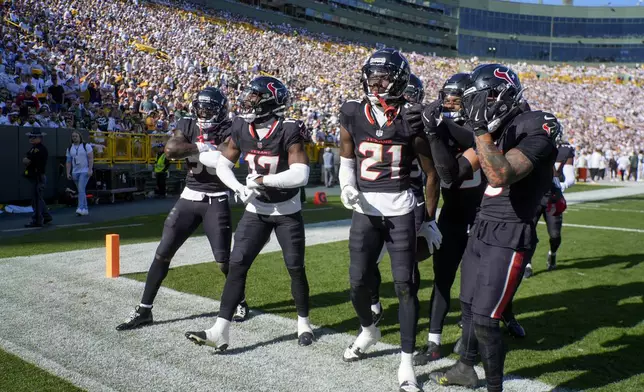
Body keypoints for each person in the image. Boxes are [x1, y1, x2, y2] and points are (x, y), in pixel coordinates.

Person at [429, 64, 559, 392]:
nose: (476, 108)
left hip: (511, 230)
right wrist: (435, 134)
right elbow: (451, 174)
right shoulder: (494, 130)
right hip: (483, 225)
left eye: (479, 100)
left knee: (487, 320)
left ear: (500, 98)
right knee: (470, 307)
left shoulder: (537, 124)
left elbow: (501, 174)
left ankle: (494, 388)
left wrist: (478, 127)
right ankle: (465, 368)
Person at [185, 76, 314, 350]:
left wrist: (263, 181)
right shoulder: (241, 126)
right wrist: (238, 188)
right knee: (237, 264)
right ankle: (220, 331)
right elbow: (223, 164)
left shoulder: (288, 128)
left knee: (294, 267)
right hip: (256, 209)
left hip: (286, 210)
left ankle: (303, 322)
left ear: (270, 100)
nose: (247, 101)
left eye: (253, 96)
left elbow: (301, 174)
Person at [337, 49, 440, 392]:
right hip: (365, 210)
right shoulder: (352, 112)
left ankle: (407, 364)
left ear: (398, 80)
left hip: (400, 210)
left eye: (382, 76)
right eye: (371, 74)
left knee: (405, 287)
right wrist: (347, 186)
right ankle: (369, 329)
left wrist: (427, 218)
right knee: (356, 283)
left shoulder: (412, 118)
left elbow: (430, 173)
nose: (374, 81)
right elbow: (347, 158)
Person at [116, 87, 248, 331]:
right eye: (201, 107)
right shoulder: (187, 124)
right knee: (162, 253)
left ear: (221, 110)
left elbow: (224, 154)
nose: (204, 113)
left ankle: (240, 300)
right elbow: (171, 150)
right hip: (189, 196)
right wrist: (203, 148)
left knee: (222, 260)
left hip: (216, 198)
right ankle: (144, 310)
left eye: (209, 109)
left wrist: (200, 148)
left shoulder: (231, 127)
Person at [367, 72, 438, 327]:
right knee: (368, 260)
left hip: (412, 199)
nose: (406, 101)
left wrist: (430, 219)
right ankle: (374, 303)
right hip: (380, 197)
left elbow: (433, 173)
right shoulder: (377, 121)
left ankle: (409, 307)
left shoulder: (421, 125)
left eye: (410, 96)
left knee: (408, 263)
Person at [524, 133, 575, 277]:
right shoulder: (531, 146)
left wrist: (556, 186)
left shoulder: (564, 150)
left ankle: (552, 253)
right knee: (528, 233)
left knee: (555, 235)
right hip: (533, 197)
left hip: (552, 197)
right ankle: (527, 263)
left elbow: (571, 179)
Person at [23, 129, 52, 228]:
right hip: (37, 176)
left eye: (33, 137)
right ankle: (46, 216)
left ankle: (37, 220)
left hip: (38, 176)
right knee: (38, 198)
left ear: (40, 138)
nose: (31, 139)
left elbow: (27, 160)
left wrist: (28, 160)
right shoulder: (34, 148)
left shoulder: (39, 149)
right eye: (30, 137)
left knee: (36, 199)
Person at [65, 130, 93, 216]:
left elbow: (91, 158)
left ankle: (80, 207)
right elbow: (68, 161)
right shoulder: (70, 148)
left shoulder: (86, 146)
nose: (74, 138)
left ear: (80, 137)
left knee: (81, 189)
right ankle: (85, 208)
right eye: (73, 136)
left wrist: (90, 169)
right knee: (81, 190)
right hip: (75, 171)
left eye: (76, 136)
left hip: (84, 171)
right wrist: (68, 172)